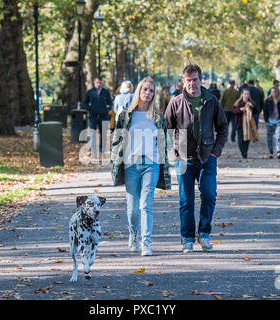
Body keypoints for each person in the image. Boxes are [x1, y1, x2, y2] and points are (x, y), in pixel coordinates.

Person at [164, 64, 228, 253]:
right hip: (184, 158)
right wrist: (173, 153)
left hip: (208, 156)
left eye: (195, 80)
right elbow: (166, 129)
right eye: (188, 80)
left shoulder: (212, 101)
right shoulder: (176, 102)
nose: (192, 83)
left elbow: (223, 127)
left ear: (201, 80)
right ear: (184, 81)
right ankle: (187, 238)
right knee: (186, 200)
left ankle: (204, 234)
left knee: (209, 195)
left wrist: (216, 150)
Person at [110, 77, 171, 256]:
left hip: (151, 164)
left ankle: (146, 243)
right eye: (145, 89)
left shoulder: (158, 117)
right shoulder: (126, 115)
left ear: (154, 94)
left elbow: (163, 143)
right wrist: (115, 161)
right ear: (139, 91)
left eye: (151, 91)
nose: (147, 93)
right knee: (133, 208)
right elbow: (117, 140)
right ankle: (133, 233)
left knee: (146, 205)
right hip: (131, 164)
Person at [84, 77, 112, 158]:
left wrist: (107, 109)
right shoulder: (90, 92)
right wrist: (90, 109)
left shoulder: (106, 92)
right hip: (93, 116)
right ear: (94, 82)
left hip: (104, 116)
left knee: (103, 134)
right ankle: (93, 152)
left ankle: (102, 151)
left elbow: (110, 103)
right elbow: (85, 103)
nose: (98, 84)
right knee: (92, 134)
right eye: (97, 82)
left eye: (100, 83)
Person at [232, 88, 258, 159]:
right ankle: (242, 151)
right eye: (245, 94)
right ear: (242, 95)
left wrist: (252, 106)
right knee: (240, 139)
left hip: (248, 124)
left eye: (248, 94)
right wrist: (240, 109)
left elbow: (256, 111)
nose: (246, 95)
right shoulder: (238, 103)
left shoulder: (251, 102)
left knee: (247, 138)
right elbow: (234, 111)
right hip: (240, 123)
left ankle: (245, 151)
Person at [264, 87, 280, 159]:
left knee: (278, 136)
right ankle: (271, 152)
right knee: (269, 138)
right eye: (271, 92)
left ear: (277, 92)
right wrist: (266, 120)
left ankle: (278, 152)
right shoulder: (267, 101)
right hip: (270, 121)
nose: (272, 93)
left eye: (273, 92)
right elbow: (265, 111)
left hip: (279, 121)